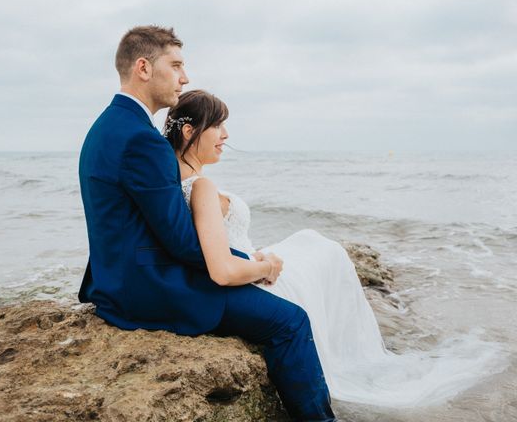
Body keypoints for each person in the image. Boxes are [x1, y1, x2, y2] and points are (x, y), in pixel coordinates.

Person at [164, 89, 508, 408]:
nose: (225, 135)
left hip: (244, 261)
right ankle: (352, 358)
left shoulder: (172, 182)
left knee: (313, 243)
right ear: (190, 131)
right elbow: (221, 268)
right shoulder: (201, 187)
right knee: (326, 253)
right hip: (248, 276)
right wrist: (266, 267)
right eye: (218, 126)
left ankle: (354, 350)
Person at [78, 25, 336, 421]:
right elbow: (181, 241)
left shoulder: (107, 127)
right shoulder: (139, 139)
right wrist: (247, 265)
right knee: (290, 322)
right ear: (143, 67)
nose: (185, 77)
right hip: (150, 288)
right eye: (176, 65)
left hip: (117, 279)